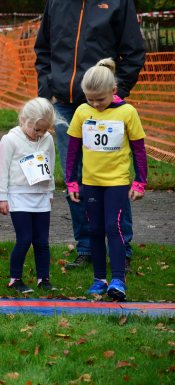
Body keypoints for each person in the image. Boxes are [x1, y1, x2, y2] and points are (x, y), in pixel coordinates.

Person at [34, 0, 145, 270]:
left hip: (105, 109)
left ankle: (120, 249)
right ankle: (85, 247)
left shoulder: (118, 0)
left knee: (110, 177)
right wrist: (47, 91)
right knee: (75, 177)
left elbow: (133, 54)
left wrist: (114, 94)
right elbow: (43, 51)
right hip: (65, 107)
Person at [66, 59, 147, 302]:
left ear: (113, 91)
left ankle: (118, 280)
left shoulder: (127, 112)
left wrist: (140, 182)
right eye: (89, 99)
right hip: (91, 182)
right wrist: (71, 181)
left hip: (117, 182)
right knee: (95, 229)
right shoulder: (82, 112)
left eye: (100, 99)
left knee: (114, 227)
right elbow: (72, 150)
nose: (95, 104)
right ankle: (99, 280)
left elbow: (139, 150)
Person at [0, 98, 61, 294]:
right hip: (18, 196)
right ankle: (15, 279)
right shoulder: (9, 139)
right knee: (24, 239)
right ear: (24, 120)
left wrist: (49, 191)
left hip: (41, 196)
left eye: (44, 129)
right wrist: (1, 197)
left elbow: (50, 165)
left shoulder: (47, 139)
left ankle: (44, 278)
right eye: (37, 129)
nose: (40, 134)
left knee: (42, 241)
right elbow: (2, 169)